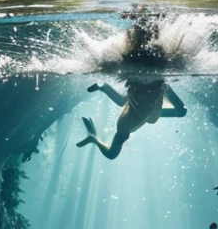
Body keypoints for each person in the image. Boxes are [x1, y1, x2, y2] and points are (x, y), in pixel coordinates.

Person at [76, 12, 186, 160]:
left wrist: (164, 87)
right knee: (147, 49)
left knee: (144, 50)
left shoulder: (129, 125)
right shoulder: (134, 122)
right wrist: (164, 87)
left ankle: (143, 20)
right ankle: (144, 20)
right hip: (149, 87)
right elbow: (123, 101)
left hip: (148, 86)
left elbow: (123, 101)